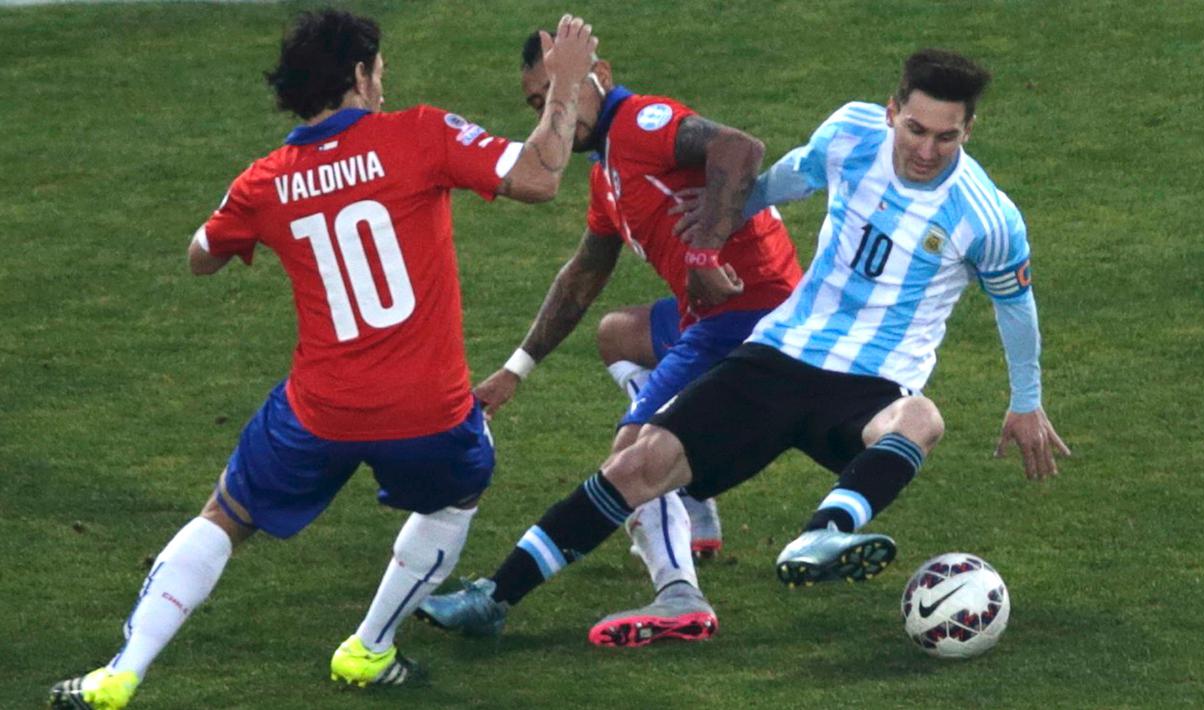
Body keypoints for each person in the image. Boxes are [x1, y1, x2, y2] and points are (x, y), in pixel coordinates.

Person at [417, 48, 1070, 645]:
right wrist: (718, 218)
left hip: (870, 384)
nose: (926, 150)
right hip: (779, 354)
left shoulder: (985, 216)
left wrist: (1026, 402)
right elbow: (785, 180)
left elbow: (1015, 307)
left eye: (946, 136)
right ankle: (492, 598)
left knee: (921, 418)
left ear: (968, 131)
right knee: (638, 464)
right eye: (915, 130)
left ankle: (824, 535)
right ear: (891, 112)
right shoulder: (850, 133)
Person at [49, 10, 598, 709]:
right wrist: (564, 87)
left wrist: (248, 203)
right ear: (359, 76)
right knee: (457, 493)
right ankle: (369, 648)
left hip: (321, 408)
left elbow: (200, 258)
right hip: (428, 409)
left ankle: (121, 671)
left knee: (225, 516)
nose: (383, 80)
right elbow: (540, 177)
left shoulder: (264, 181)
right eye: (378, 68)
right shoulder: (419, 133)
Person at [424, 31, 801, 648]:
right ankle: (689, 499)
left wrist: (705, 246)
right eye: (539, 103)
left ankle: (676, 590)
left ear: (598, 73)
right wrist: (517, 367)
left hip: (747, 313)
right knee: (619, 336)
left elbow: (741, 147)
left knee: (632, 449)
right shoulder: (607, 174)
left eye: (562, 91)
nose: (554, 111)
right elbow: (583, 275)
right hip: (708, 313)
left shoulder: (641, 125)